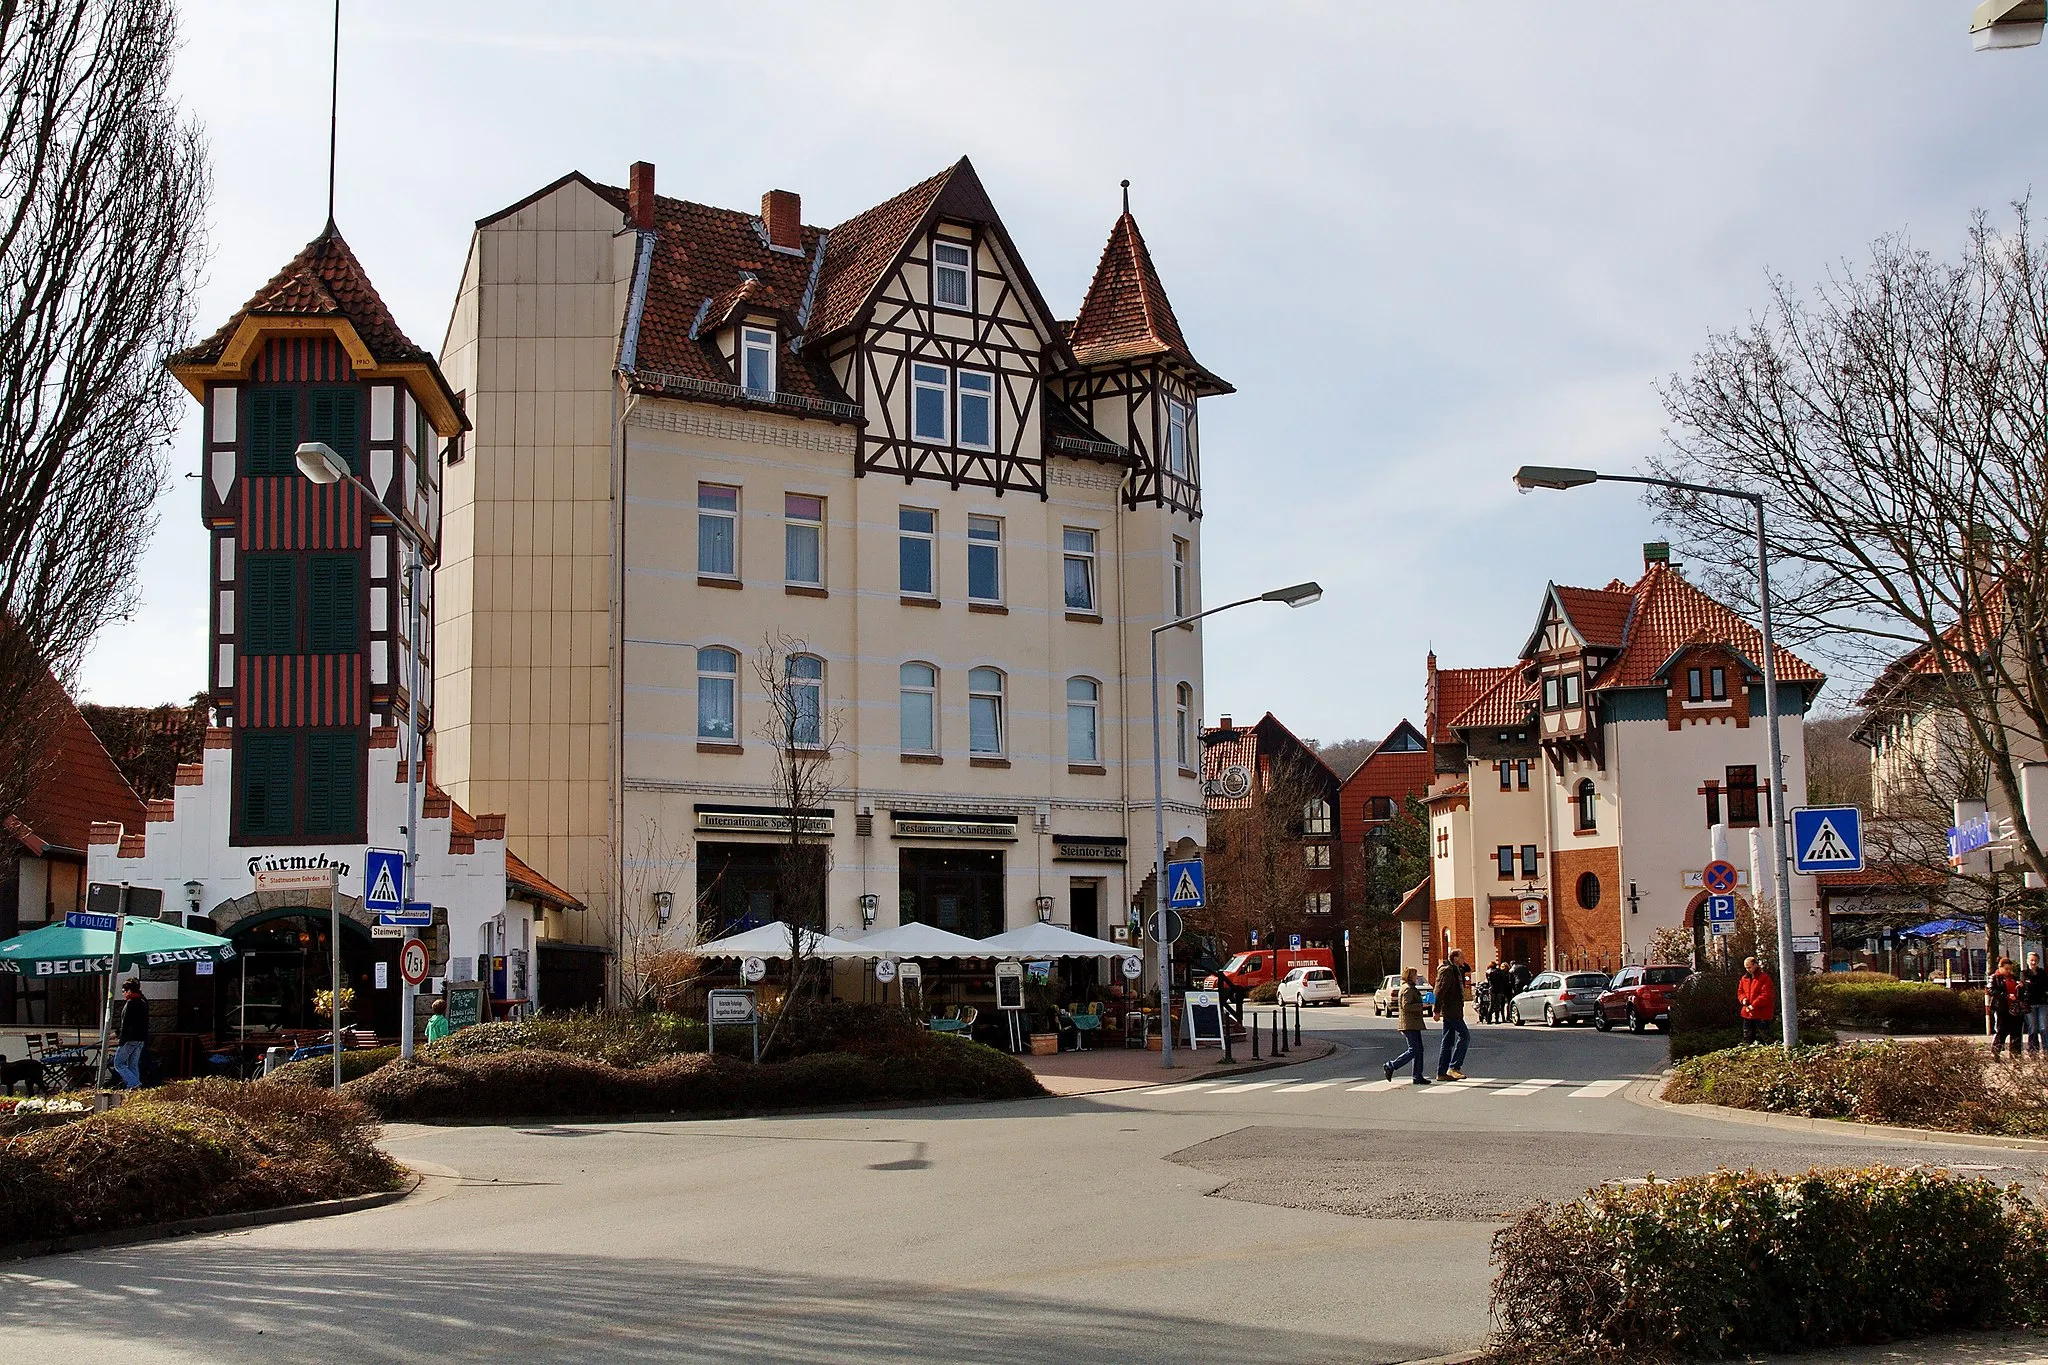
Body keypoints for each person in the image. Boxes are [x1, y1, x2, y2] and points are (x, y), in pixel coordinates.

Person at [1382, 968, 1430, 1085]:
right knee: (1414, 1050)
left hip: (1413, 1023)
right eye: (1415, 975)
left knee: (1419, 1050)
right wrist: (1421, 1005)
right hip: (1409, 1024)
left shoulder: (1409, 987)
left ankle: (1417, 1076)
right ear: (1410, 976)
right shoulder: (1407, 989)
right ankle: (1391, 1065)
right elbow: (1406, 1006)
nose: (1417, 977)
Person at [1435, 949, 1471, 1080]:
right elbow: (1440, 990)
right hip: (1451, 1010)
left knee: (1448, 1041)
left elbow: (1468, 967)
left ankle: (1442, 1072)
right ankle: (1454, 1067)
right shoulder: (1448, 971)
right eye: (1462, 957)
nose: (1464, 959)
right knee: (1465, 1036)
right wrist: (1436, 1010)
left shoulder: (1455, 969)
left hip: (1454, 1009)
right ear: (1455, 958)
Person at [112, 979, 149, 1088]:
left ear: (129, 991)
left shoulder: (130, 1003)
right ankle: (133, 1091)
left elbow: (127, 1024)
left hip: (129, 1039)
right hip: (141, 1038)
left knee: (119, 1063)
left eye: (123, 991)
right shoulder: (143, 1002)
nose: (123, 993)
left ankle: (135, 1083)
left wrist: (120, 1040)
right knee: (133, 1065)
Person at [1988, 957, 2025, 1061]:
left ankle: (2015, 1056)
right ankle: (1996, 1053)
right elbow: (1991, 990)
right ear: (2000, 968)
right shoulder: (1994, 977)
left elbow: (2022, 992)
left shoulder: (2014, 977)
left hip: (2015, 1009)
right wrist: (2006, 995)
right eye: (2006, 968)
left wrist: (2021, 987)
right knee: (2001, 1031)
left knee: (2016, 1033)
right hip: (2002, 1008)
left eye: (2010, 969)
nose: (2008, 971)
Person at [1736, 956, 1776, 1046]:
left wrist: (1753, 1005)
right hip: (1748, 1012)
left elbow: (1766, 995)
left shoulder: (1764, 978)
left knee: (1766, 1036)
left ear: (1755, 965)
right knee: (1747, 1036)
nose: (1748, 970)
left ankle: (1771, 1050)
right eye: (1746, 968)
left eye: (1749, 967)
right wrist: (1743, 999)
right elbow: (1740, 992)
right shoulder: (1744, 979)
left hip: (1761, 1012)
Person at [2022, 952, 2048, 1055]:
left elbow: (2045, 986)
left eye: (2035, 961)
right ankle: (2033, 1050)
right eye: (2031, 960)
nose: (2033, 962)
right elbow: (2027, 987)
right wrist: (2034, 985)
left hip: (2042, 1003)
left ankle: (2046, 1050)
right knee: (2033, 1027)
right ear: (2027, 961)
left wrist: (2033, 984)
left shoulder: (2042, 973)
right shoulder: (2024, 973)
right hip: (2030, 1004)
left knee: (2044, 1027)